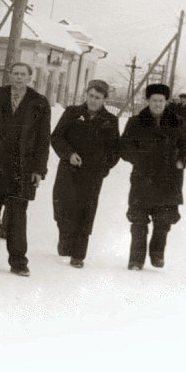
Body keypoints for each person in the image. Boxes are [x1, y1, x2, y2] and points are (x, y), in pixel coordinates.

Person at [0, 62, 51, 277]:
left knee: (18, 218)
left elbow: (43, 139)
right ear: (9, 76)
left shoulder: (39, 102)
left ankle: (19, 262)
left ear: (30, 77)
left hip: (23, 168)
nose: (18, 78)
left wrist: (39, 169)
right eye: (15, 74)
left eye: (23, 74)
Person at [120, 83, 186, 270]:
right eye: (154, 100)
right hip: (143, 178)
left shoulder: (177, 122)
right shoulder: (136, 122)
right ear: (148, 101)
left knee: (163, 221)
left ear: (166, 101)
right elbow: (124, 146)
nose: (158, 104)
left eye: (161, 100)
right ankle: (136, 260)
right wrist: (138, 158)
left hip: (169, 179)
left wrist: (182, 160)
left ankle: (157, 254)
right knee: (139, 221)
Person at [50, 79, 121, 268]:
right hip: (68, 170)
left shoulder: (110, 121)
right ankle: (65, 240)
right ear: (86, 95)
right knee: (62, 208)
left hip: (92, 175)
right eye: (90, 96)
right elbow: (56, 137)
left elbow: (115, 150)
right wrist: (69, 154)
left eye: (98, 97)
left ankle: (78, 255)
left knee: (85, 213)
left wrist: (103, 168)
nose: (93, 100)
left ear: (104, 99)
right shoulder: (72, 113)